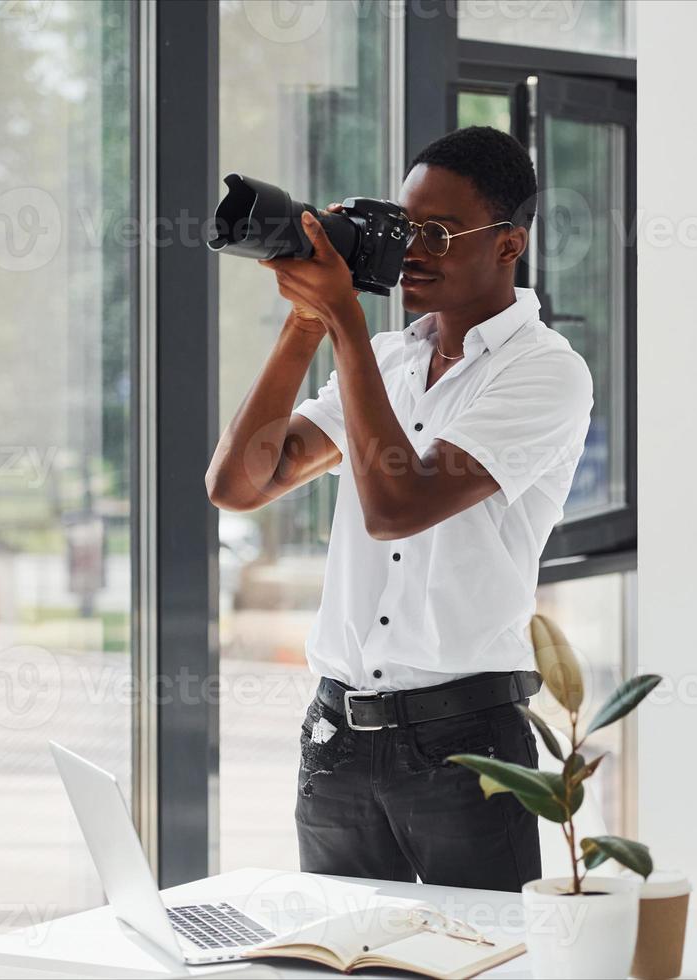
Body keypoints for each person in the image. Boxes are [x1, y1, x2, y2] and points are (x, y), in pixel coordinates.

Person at [205, 126, 593, 890]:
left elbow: (398, 504)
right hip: (337, 736)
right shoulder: (387, 360)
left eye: (439, 233)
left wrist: (345, 318)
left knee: (482, 962)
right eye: (406, 225)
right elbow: (240, 484)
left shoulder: (546, 371)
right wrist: (307, 322)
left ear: (509, 245)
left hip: (466, 742)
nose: (413, 248)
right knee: (343, 962)